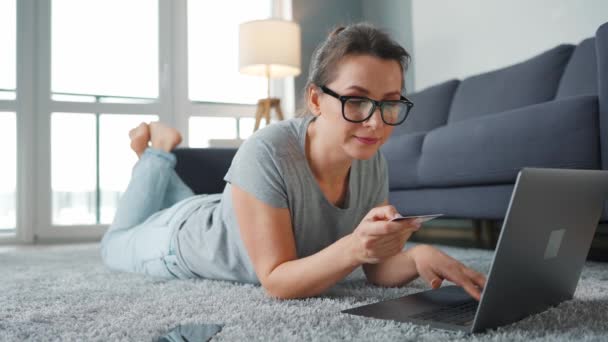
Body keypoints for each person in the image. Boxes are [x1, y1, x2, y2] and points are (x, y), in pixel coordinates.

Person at [100, 22, 486, 301]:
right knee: (114, 244)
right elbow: (277, 280)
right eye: (356, 100)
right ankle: (154, 154)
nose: (375, 121)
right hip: (177, 241)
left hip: (221, 211)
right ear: (316, 99)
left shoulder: (370, 159)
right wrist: (353, 246)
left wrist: (417, 256)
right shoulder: (266, 151)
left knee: (194, 203)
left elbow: (374, 268)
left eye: (389, 103)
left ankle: (161, 161)